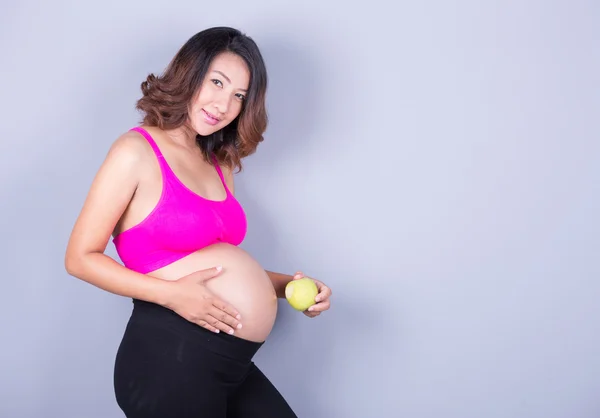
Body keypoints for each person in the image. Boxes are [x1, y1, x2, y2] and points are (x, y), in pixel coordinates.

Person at [64, 26, 332, 418]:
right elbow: (79, 258)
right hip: (170, 356)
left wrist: (286, 286)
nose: (223, 105)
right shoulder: (136, 150)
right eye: (217, 82)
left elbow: (218, 265)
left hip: (228, 360)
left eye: (238, 95)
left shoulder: (220, 163)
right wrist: (171, 295)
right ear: (190, 73)